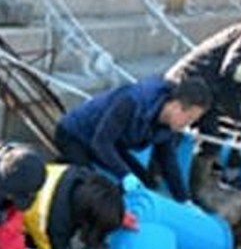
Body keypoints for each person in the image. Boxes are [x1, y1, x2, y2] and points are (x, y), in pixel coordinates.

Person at [53, 75, 212, 202]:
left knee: (147, 182)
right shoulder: (133, 101)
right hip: (75, 135)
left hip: (112, 141)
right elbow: (101, 143)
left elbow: (168, 161)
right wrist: (125, 175)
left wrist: (184, 199)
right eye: (189, 118)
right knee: (89, 186)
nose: (187, 125)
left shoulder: (166, 122)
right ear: (177, 106)